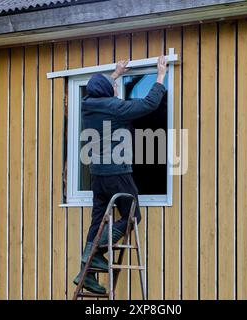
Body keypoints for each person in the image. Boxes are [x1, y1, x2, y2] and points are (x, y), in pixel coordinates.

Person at [74, 56, 168, 294]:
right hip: (117, 172)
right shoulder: (115, 108)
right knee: (133, 216)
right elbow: (148, 104)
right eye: (112, 87)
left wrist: (115, 74)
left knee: (98, 220)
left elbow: (95, 90)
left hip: (97, 175)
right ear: (108, 93)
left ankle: (87, 273)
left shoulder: (86, 104)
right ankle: (95, 251)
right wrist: (159, 76)